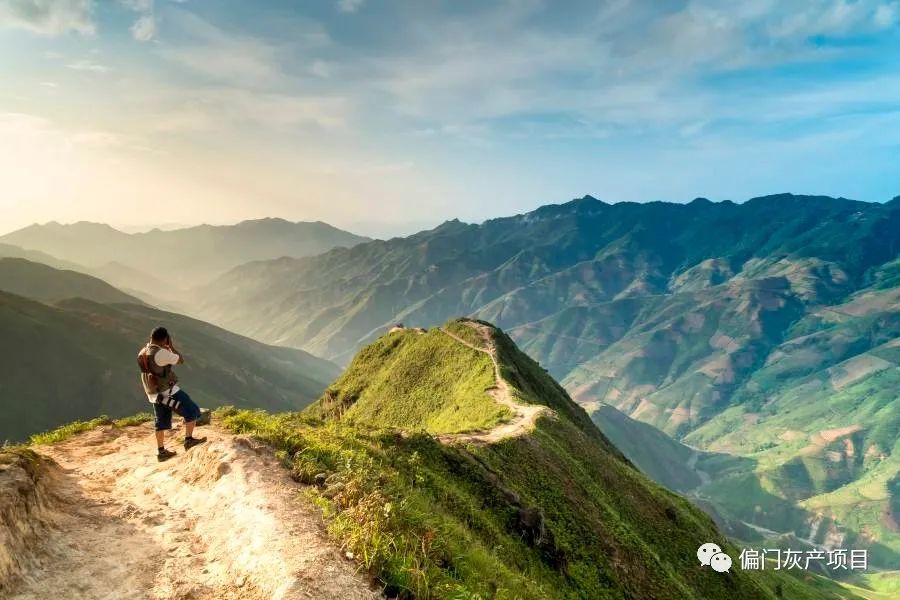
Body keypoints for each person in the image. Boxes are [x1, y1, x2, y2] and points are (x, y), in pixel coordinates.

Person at [138, 326, 206, 462]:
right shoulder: (161, 353)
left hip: (154, 394)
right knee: (192, 410)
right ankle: (189, 440)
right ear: (165, 339)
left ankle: (161, 452)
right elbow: (180, 360)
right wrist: (171, 347)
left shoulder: (143, 352)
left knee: (160, 422)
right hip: (168, 391)